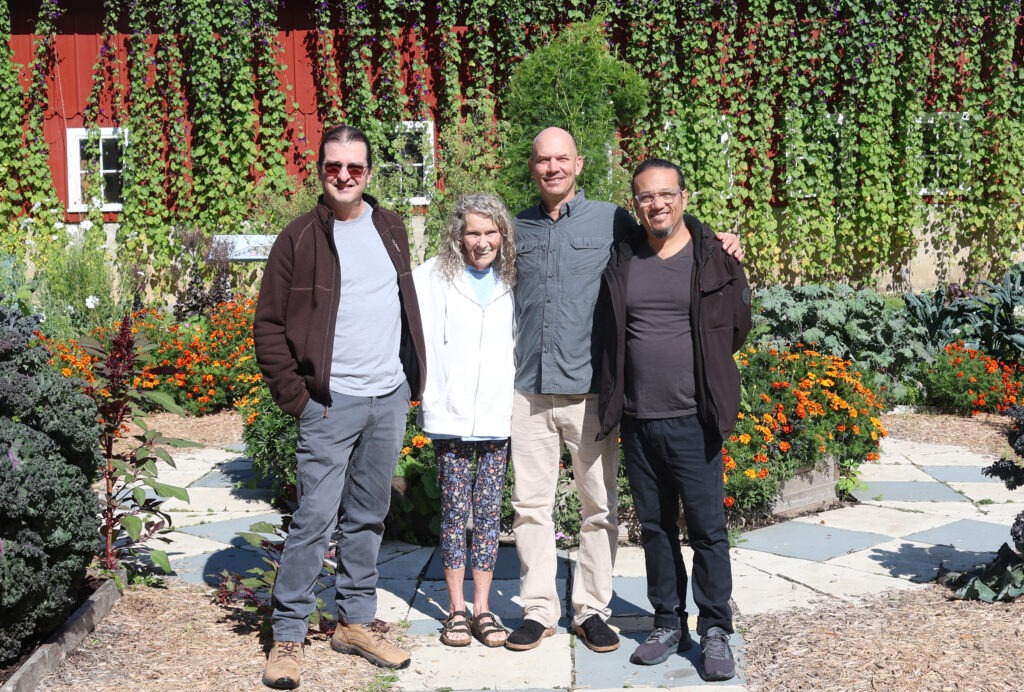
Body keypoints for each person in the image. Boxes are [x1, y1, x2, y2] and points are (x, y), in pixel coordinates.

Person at [505, 127, 743, 653]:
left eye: (562, 158)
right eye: (543, 159)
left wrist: (721, 239)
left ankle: (595, 610)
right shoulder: (514, 225)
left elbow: (684, 248)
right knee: (531, 508)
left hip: (593, 392)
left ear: (579, 163)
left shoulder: (612, 221)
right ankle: (540, 610)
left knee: (602, 510)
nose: (552, 167)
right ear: (532, 166)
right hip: (531, 390)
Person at [254, 124, 426, 690]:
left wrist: (408, 382)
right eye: (334, 167)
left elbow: (402, 305)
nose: (344, 176)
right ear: (321, 170)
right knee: (313, 519)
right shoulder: (299, 239)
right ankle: (288, 634)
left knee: (369, 515)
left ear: (368, 172)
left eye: (355, 167)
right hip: (329, 404)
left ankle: (354, 621)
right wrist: (299, 399)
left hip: (387, 396)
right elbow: (269, 326)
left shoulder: (390, 227)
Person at [595, 158, 751, 681]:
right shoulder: (624, 256)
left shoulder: (714, 257)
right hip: (638, 418)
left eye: (665, 194)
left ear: (684, 197)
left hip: (693, 416)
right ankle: (668, 621)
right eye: (645, 196)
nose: (656, 204)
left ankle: (714, 628)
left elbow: (737, 327)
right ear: (635, 203)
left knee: (707, 530)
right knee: (656, 528)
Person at [412, 193, 517, 648]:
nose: (481, 241)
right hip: (450, 413)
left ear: (503, 235)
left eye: (490, 232)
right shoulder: (430, 279)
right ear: (457, 234)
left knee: (490, 513)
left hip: (497, 413)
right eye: (472, 232)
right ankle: (455, 610)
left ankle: (483, 608)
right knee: (455, 512)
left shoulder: (514, 279)